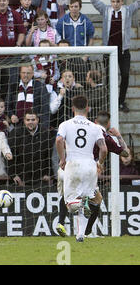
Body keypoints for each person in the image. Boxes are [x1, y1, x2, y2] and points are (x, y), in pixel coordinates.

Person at [55, 110, 128, 238]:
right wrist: (118, 136)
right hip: (88, 170)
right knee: (93, 200)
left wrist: (63, 158)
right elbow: (125, 154)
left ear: (95, 121)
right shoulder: (102, 135)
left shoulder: (74, 126)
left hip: (68, 167)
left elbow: (62, 141)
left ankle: (64, 224)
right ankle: (86, 231)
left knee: (68, 195)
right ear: (109, 123)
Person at [55, 95, 107, 242]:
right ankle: (81, 235)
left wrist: (62, 158)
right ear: (88, 109)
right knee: (94, 200)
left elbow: (59, 140)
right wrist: (100, 164)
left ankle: (80, 204)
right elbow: (103, 149)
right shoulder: (95, 127)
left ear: (72, 109)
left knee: (70, 204)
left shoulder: (65, 124)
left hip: (73, 165)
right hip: (90, 166)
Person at [90, 0, 140, 114]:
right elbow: (95, 1)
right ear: (111, 1)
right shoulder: (106, 10)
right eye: (113, 1)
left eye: (118, 1)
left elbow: (138, 3)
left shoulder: (127, 11)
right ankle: (109, 101)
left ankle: (121, 101)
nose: (115, 4)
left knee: (125, 75)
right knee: (108, 77)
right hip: (109, 50)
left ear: (122, 2)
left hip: (123, 51)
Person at [8, 108, 52, 186]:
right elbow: (10, 155)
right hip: (21, 178)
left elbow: (48, 155)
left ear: (37, 120)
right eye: (28, 120)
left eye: (33, 120)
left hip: (41, 178)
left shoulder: (45, 133)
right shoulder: (15, 133)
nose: (30, 122)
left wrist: (48, 173)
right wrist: (13, 175)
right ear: (24, 121)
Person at [6, 65, 50, 130]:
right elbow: (7, 105)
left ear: (32, 74)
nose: (25, 75)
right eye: (23, 73)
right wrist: (11, 115)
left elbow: (45, 107)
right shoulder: (13, 86)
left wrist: (44, 127)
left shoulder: (40, 86)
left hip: (35, 124)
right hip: (17, 125)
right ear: (20, 73)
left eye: (28, 73)